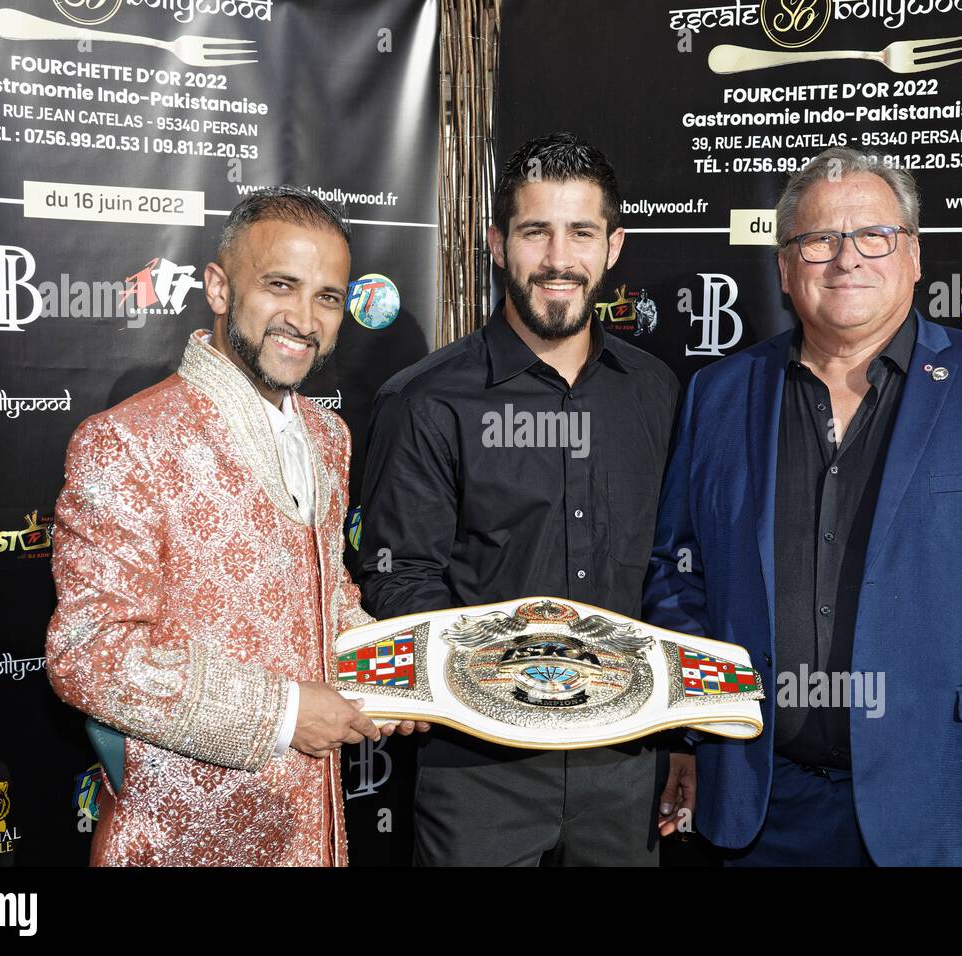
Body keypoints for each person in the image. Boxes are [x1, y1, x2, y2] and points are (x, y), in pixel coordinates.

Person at [643, 148, 962, 866]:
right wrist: (690, 733)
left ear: (914, 254)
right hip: (756, 810)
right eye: (819, 239)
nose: (846, 259)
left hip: (950, 811)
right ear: (784, 265)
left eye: (873, 235)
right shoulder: (720, 394)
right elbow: (680, 579)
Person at [46, 186, 424, 867]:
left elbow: (323, 590)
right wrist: (281, 714)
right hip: (182, 839)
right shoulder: (127, 441)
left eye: (327, 297)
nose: (304, 319)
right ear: (219, 289)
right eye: (281, 285)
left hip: (313, 826)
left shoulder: (327, 434)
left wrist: (389, 664)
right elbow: (89, 654)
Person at [358, 132, 682, 866]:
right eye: (536, 231)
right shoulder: (424, 401)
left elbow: (671, 567)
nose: (559, 258)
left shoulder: (657, 393)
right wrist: (506, 695)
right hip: (477, 773)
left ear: (614, 246)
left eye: (581, 233)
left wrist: (676, 734)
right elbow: (400, 577)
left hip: (625, 768)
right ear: (498, 244)